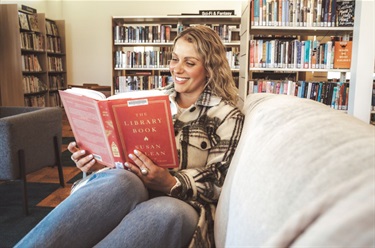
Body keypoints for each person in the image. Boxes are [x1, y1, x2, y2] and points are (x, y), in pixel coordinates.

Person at [16, 25, 244, 248]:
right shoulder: (151, 99)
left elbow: (219, 178)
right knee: (123, 181)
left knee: (165, 211)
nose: (177, 69)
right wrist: (98, 163)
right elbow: (121, 156)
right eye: (175, 59)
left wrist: (171, 182)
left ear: (210, 68)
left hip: (181, 202)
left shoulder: (226, 115)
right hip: (132, 185)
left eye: (190, 62)